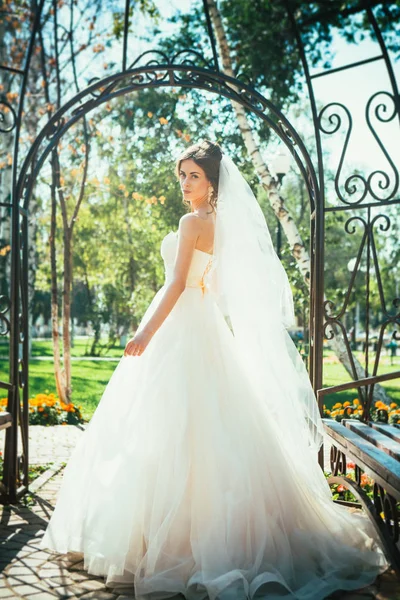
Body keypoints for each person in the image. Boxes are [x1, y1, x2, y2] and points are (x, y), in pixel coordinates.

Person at [39, 140, 390, 600]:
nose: (185, 183)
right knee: (197, 426)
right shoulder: (222, 225)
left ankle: (167, 543)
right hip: (202, 321)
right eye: (182, 174)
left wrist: (145, 332)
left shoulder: (191, 223)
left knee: (174, 425)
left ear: (212, 181)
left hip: (182, 323)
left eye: (194, 176)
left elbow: (176, 284)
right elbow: (215, 284)